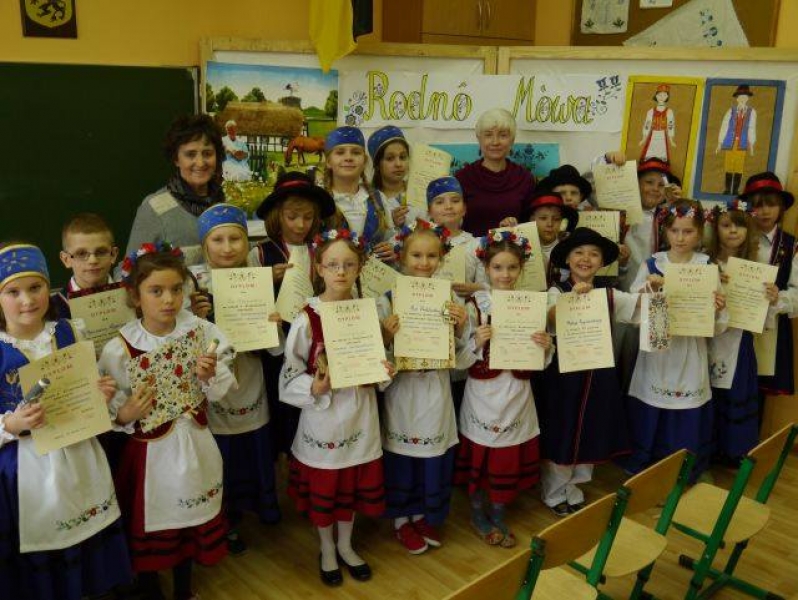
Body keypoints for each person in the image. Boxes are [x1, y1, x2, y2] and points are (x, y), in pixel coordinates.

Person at [99, 242, 235, 600]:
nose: (169, 300)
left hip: (195, 443)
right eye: (156, 291)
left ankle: (183, 589)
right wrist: (124, 414)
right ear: (135, 296)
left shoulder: (201, 332)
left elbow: (221, 391)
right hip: (151, 456)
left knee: (189, 520)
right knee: (153, 525)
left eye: (176, 289)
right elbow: (108, 409)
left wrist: (209, 376)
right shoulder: (119, 349)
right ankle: (150, 591)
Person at [0, 243, 132, 600]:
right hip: (28, 467)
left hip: (80, 451)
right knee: (47, 543)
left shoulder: (70, 331)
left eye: (36, 287)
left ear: (49, 287)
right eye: (13, 292)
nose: (28, 300)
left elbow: (90, 389)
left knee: (88, 531)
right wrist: (11, 425)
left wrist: (100, 393)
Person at [279, 229, 393, 586]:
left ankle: (345, 544)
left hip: (360, 414)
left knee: (350, 488)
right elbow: (289, 374)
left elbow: (377, 361)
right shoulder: (306, 319)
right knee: (327, 490)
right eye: (332, 265)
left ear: (359, 268)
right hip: (324, 419)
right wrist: (313, 386)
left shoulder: (367, 312)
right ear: (319, 268)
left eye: (348, 264)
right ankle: (327, 548)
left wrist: (385, 370)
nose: (340, 272)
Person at [191, 204, 283, 555]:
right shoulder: (194, 286)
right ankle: (226, 520)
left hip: (252, 377)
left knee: (254, 445)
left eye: (236, 239)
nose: (227, 247)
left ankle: (263, 506)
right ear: (205, 245)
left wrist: (273, 325)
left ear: (247, 243)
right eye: (218, 240)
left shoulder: (257, 280)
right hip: (216, 387)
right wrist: (196, 318)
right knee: (222, 455)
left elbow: (276, 350)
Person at [378, 222, 469, 555]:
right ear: (402, 257)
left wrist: (460, 328)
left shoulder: (450, 298)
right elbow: (376, 354)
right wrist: (386, 336)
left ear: (441, 258)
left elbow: (462, 355)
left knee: (432, 455)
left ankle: (424, 514)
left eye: (432, 256)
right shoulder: (387, 300)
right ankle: (402, 519)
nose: (424, 262)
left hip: (435, 388)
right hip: (403, 391)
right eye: (416, 255)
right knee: (403, 457)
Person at [456, 231, 551, 545]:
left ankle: (498, 513)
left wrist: (546, 346)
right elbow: (459, 358)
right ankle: (477, 513)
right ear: (486, 268)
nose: (505, 274)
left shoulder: (530, 305)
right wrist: (475, 340)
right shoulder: (474, 305)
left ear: (521, 268)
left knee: (506, 458)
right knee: (482, 455)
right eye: (498, 267)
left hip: (517, 393)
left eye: (512, 267)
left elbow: (542, 361)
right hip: (483, 395)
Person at [626, 200, 727, 480]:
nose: (680, 238)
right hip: (658, 352)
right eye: (674, 231)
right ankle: (648, 469)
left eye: (688, 231)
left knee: (687, 405)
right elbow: (632, 310)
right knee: (653, 402)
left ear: (700, 233)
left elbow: (719, 324)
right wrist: (648, 292)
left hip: (690, 350)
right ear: (665, 231)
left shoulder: (707, 267)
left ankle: (683, 470)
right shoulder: (652, 264)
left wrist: (718, 309)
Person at [542, 228, 638, 516]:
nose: (586, 258)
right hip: (564, 378)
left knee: (591, 431)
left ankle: (575, 487)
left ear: (602, 262)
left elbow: (638, 308)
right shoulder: (556, 292)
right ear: (567, 259)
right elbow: (549, 318)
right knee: (563, 431)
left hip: (598, 378)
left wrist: (656, 290)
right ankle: (554, 492)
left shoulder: (608, 295)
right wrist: (572, 299)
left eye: (594, 254)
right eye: (579, 252)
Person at [251, 171, 336, 456]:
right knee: (281, 406)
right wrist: (266, 279)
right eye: (292, 217)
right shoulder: (261, 253)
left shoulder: (321, 250)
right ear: (278, 216)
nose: (300, 225)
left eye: (308, 217)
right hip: (277, 344)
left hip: (316, 344)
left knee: (316, 402)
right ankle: (283, 459)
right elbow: (246, 300)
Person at [707, 200, 776, 464]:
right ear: (716, 229)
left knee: (735, 391)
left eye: (739, 226)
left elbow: (763, 316)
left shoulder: (756, 266)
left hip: (739, 341)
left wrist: (771, 298)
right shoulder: (704, 262)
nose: (733, 231)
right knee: (708, 391)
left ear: (749, 230)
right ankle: (707, 448)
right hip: (706, 340)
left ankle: (733, 450)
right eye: (726, 225)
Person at [125, 114, 225, 267]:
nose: (200, 162)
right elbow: (127, 269)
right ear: (176, 159)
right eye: (190, 154)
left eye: (207, 153)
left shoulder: (226, 205)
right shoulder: (154, 208)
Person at [739, 172, 798, 399]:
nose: (764, 211)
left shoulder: (791, 246)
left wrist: (778, 298)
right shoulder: (734, 237)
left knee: (758, 391)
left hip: (770, 329)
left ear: (781, 208)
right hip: (733, 326)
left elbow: (796, 292)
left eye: (771, 205)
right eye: (757, 205)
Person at [456, 108, 535, 237]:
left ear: (512, 140)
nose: (495, 142)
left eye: (503, 135)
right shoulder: (462, 178)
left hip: (513, 248)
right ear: (479, 139)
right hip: (470, 248)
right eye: (488, 135)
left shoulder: (525, 178)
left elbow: (530, 223)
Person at [323, 126, 396, 262]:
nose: (348, 158)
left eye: (356, 153)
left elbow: (391, 237)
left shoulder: (378, 199)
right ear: (328, 161)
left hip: (374, 273)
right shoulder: (319, 200)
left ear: (364, 161)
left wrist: (391, 247)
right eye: (340, 153)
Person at [52, 213, 122, 318]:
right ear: (66, 259)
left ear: (113, 255)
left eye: (101, 252)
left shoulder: (132, 299)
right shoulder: (52, 309)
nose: (93, 260)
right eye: (81, 253)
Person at [368, 125, 426, 226]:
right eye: (390, 158)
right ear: (377, 165)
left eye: (403, 157)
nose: (398, 164)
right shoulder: (370, 200)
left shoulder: (420, 191)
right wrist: (391, 223)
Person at [525, 191, 579, 285]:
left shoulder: (569, 246)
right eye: (543, 218)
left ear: (562, 221)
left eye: (556, 219)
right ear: (532, 219)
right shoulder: (521, 245)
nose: (550, 224)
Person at [716, 85, 757, 195]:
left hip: (742, 143)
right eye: (740, 97)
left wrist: (751, 144)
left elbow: (751, 128)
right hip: (730, 142)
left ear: (748, 98)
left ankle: (735, 190)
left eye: (745, 97)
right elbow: (724, 126)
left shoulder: (751, 112)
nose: (742, 99)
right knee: (729, 164)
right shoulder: (731, 111)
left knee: (739, 166)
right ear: (737, 98)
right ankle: (727, 189)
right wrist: (720, 142)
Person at [639, 84, 676, 163]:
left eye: (664, 95)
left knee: (662, 154)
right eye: (659, 95)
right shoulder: (651, 111)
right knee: (650, 154)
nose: (662, 97)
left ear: (667, 97)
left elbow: (670, 126)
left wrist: (671, 140)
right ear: (656, 96)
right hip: (653, 135)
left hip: (662, 135)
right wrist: (644, 138)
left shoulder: (669, 112)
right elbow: (647, 125)